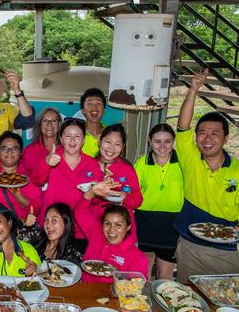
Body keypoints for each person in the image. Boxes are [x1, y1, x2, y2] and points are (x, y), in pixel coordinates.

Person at [173, 69, 239, 282]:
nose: (207, 138)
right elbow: (182, 126)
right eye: (202, 133)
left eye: (214, 133)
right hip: (191, 247)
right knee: (186, 299)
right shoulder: (191, 159)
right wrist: (193, 90)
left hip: (228, 252)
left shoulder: (236, 170)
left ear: (226, 138)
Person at [29, 119, 103, 253]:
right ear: (61, 139)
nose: (72, 140)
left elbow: (96, 200)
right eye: (68, 136)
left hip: (79, 228)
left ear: (83, 141)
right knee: (49, 269)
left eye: (77, 136)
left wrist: (101, 190)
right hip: (52, 226)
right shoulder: (52, 157)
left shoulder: (92, 164)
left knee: (76, 269)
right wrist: (46, 163)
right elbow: (36, 181)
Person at [134, 123, 183, 280]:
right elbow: (132, 192)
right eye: (157, 141)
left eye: (167, 141)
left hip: (172, 226)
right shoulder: (142, 163)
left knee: (165, 275)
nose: (162, 146)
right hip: (144, 222)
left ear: (173, 141)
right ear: (150, 141)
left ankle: (162, 304)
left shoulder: (183, 163)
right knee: (143, 273)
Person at [94, 123, 143, 242]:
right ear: (100, 141)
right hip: (94, 229)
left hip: (122, 233)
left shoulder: (127, 169)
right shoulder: (88, 166)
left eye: (117, 144)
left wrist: (123, 196)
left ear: (122, 147)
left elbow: (138, 200)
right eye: (108, 142)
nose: (111, 148)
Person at [81, 204, 149, 283]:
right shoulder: (96, 236)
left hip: (112, 294)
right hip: (84, 288)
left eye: (118, 225)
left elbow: (140, 285)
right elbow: (80, 212)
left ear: (128, 227)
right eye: (107, 223)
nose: (111, 229)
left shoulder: (138, 258)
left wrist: (119, 275)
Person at [22, 107, 62, 176]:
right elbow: (24, 178)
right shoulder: (30, 151)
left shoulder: (67, 150)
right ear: (40, 125)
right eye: (45, 121)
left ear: (59, 125)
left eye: (53, 121)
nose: (49, 124)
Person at [80, 88, 107, 157]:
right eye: (89, 103)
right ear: (82, 110)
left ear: (104, 110)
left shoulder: (110, 133)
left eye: (99, 103)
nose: (94, 107)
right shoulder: (76, 134)